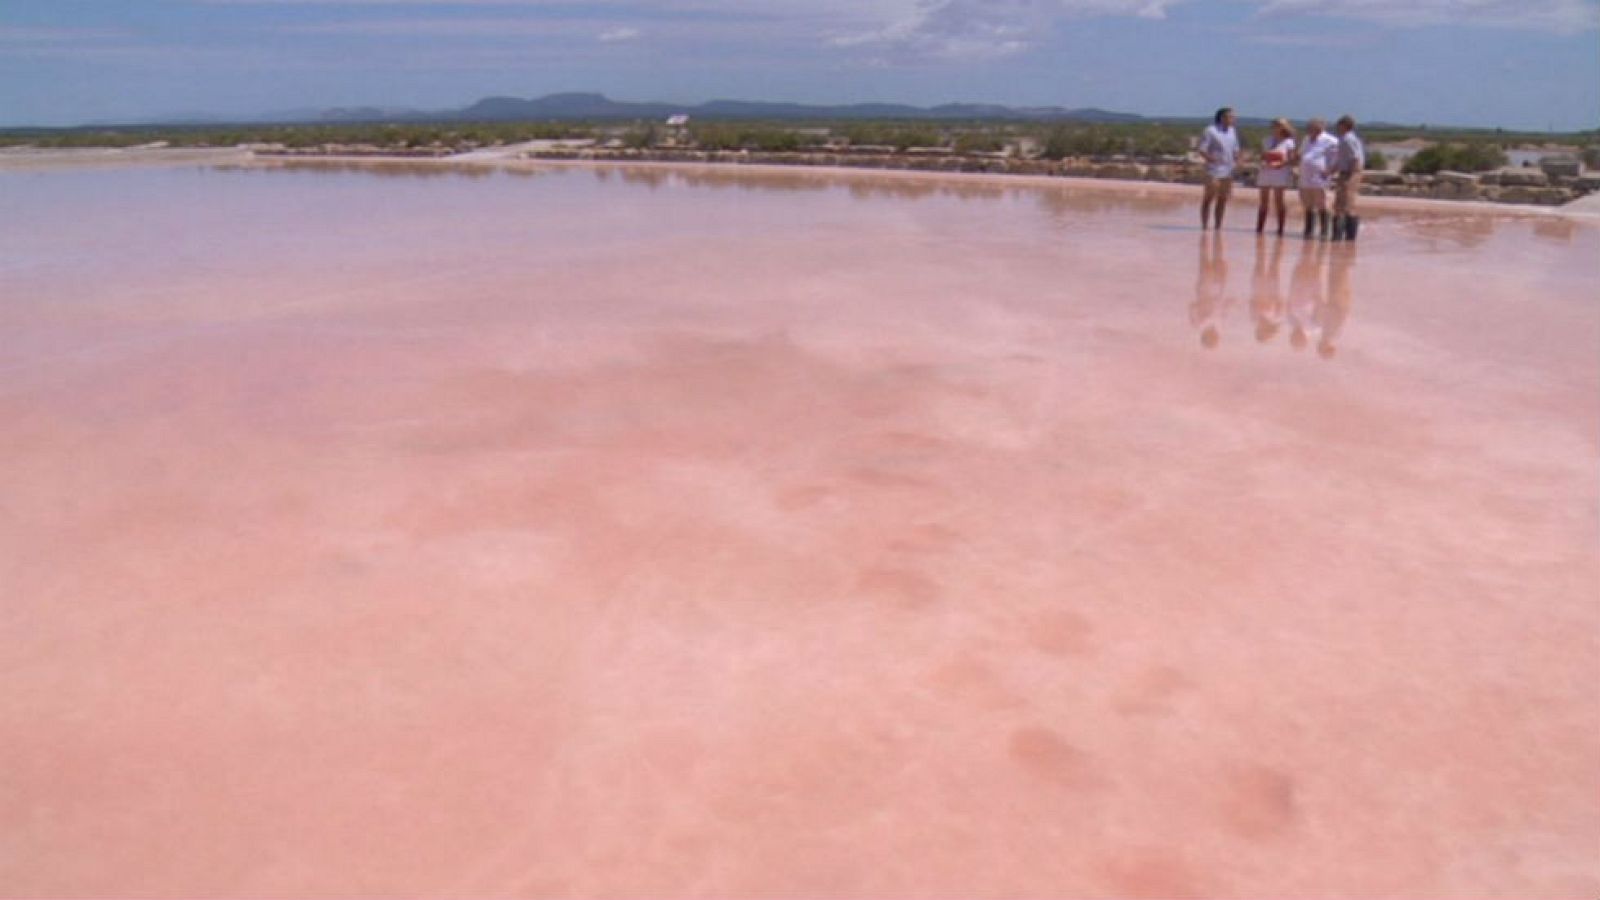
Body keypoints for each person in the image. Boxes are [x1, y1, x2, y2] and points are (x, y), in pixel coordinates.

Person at [1198, 107, 1240, 230]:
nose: (1233, 119)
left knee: (1223, 199)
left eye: (1234, 117)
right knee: (1209, 198)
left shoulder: (1233, 131)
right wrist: (1212, 160)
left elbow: (1235, 149)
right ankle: (1204, 225)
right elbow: (1202, 149)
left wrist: (1237, 159)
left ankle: (1218, 226)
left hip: (1228, 171)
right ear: (1222, 118)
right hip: (1214, 171)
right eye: (1230, 117)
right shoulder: (1210, 130)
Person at [1296, 117, 1339, 239]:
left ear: (1320, 129)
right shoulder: (1306, 139)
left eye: (1312, 128)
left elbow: (1336, 159)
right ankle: (1309, 230)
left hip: (1320, 177)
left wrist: (1330, 171)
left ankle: (1324, 231)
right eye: (1308, 128)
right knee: (1307, 204)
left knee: (1323, 204)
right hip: (1305, 176)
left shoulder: (1331, 141)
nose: (1309, 130)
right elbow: (1302, 154)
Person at [1255, 118, 1296, 235]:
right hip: (1266, 171)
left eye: (1279, 125)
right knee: (1263, 200)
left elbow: (1291, 158)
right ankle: (1260, 228)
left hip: (1280, 172)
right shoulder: (1267, 140)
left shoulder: (1289, 142)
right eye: (1275, 125)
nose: (1277, 128)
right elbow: (1262, 155)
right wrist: (1263, 161)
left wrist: (1281, 164)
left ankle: (1280, 228)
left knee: (1279, 200)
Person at [1330, 114, 1365, 241]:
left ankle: (1348, 235)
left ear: (1344, 126)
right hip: (1345, 172)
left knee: (1347, 203)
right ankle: (1339, 234)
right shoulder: (1344, 139)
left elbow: (1355, 158)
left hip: (1349, 173)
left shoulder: (1348, 139)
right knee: (1340, 203)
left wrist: (1351, 175)